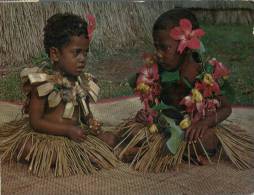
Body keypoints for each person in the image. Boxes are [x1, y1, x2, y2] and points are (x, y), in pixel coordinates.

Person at [114, 8, 254, 172]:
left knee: (208, 140)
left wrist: (204, 123)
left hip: (193, 128)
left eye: (164, 48)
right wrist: (147, 115)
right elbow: (154, 103)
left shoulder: (203, 73)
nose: (158, 54)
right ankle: (172, 152)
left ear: (186, 48)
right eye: (156, 47)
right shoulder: (160, 70)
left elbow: (226, 108)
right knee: (132, 130)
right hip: (166, 125)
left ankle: (153, 150)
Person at [0, 13, 118, 177]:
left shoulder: (81, 82)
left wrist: (91, 123)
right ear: (55, 54)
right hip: (48, 137)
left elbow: (85, 114)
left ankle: (80, 156)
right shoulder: (43, 83)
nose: (82, 59)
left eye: (85, 53)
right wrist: (66, 130)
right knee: (25, 146)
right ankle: (78, 158)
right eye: (76, 53)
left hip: (75, 137)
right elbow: (35, 122)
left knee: (110, 139)